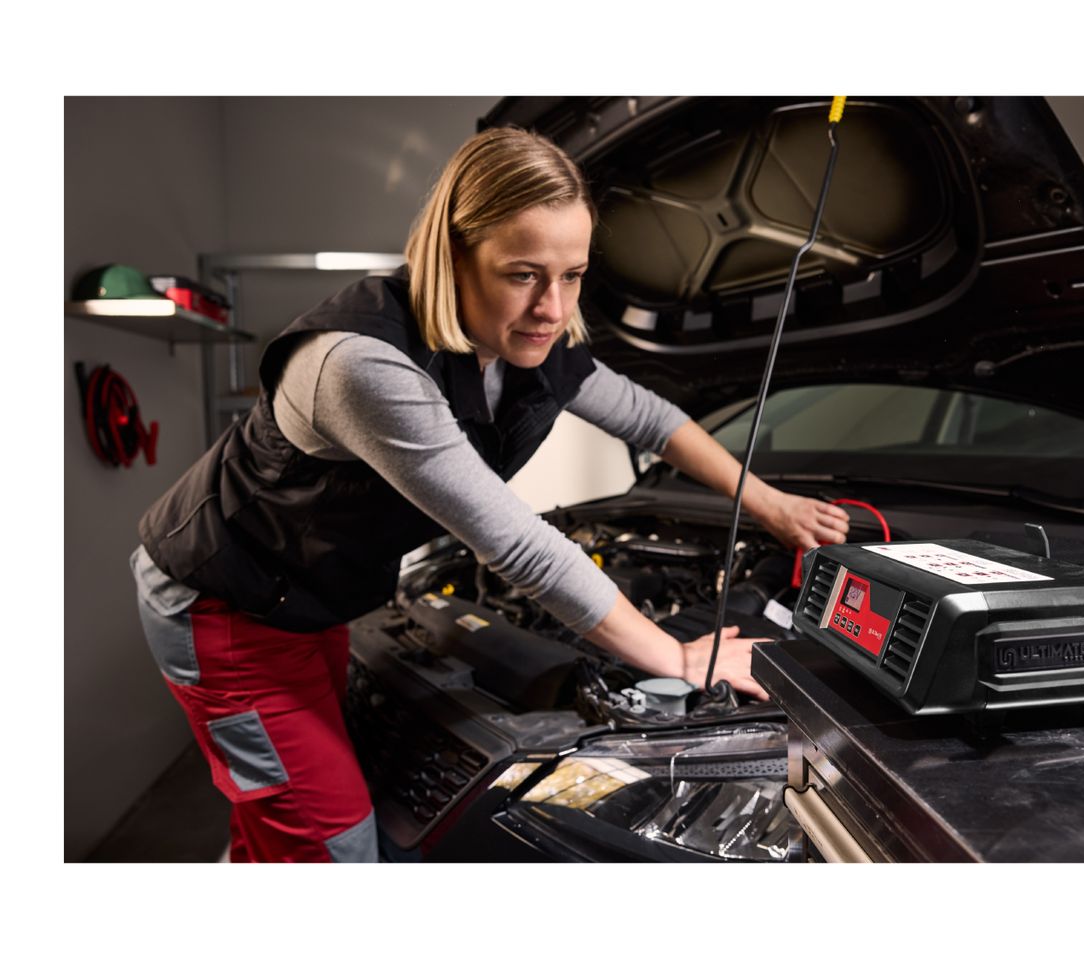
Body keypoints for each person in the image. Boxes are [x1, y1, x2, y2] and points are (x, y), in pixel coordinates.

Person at [130, 126, 850, 863]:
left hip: (311, 593)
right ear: (451, 253)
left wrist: (773, 505)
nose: (552, 306)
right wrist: (678, 657)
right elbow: (514, 542)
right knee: (333, 841)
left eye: (573, 274)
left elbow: (652, 419)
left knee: (286, 801)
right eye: (523, 274)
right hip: (224, 604)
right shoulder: (363, 365)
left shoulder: (537, 343)